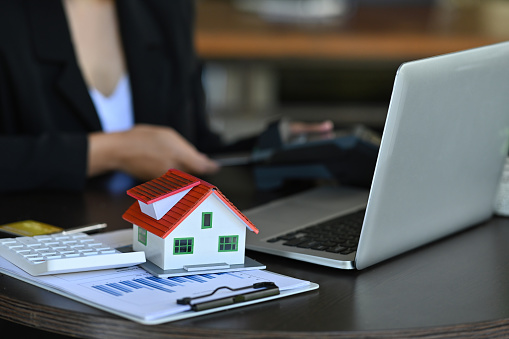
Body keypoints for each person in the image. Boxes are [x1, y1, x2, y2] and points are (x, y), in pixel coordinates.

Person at [0, 0, 332, 192]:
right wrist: (110, 151)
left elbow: (192, 147)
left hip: (151, 262)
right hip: (31, 268)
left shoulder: (165, 9)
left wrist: (270, 148)